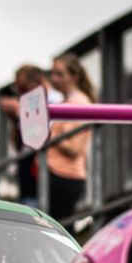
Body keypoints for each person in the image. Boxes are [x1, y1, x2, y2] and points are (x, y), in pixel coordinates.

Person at [0, 65, 63, 208]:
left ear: (39, 83)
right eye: (18, 90)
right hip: (28, 168)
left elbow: (48, 134)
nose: (21, 94)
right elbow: (20, 144)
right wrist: (15, 120)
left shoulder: (56, 101)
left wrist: (20, 112)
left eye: (24, 89)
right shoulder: (29, 102)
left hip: (46, 168)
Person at [45, 53, 97, 223]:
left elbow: (75, 148)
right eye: (52, 73)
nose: (54, 79)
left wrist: (49, 133)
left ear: (74, 77)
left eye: (60, 74)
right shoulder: (65, 102)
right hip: (58, 174)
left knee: (61, 229)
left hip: (66, 176)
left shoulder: (79, 103)